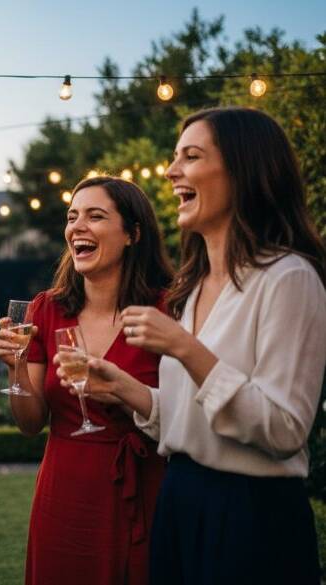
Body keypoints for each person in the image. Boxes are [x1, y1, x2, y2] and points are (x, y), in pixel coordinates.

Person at [68, 107, 326, 584]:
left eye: (191, 156)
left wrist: (187, 349)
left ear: (244, 170)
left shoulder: (288, 278)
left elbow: (284, 429)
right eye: (174, 157)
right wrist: (122, 385)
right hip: (181, 499)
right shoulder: (195, 287)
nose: (170, 171)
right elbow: (192, 419)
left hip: (251, 515)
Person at [0, 176, 174, 585]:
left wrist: (123, 392)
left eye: (96, 216)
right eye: (73, 217)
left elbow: (185, 414)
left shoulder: (166, 309)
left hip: (143, 489)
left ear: (132, 234)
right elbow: (28, 423)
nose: (78, 227)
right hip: (64, 490)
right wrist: (15, 365)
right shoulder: (47, 308)